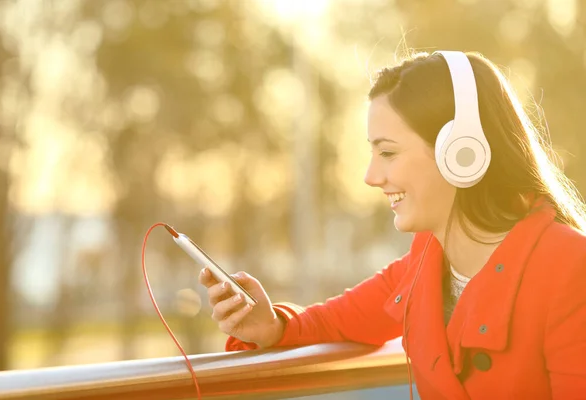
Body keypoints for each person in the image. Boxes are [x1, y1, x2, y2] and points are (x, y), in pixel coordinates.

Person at [199, 50, 586, 399]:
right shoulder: (422, 267)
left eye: (387, 152)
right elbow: (332, 323)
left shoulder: (570, 267)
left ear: (461, 153)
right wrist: (271, 325)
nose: (370, 176)